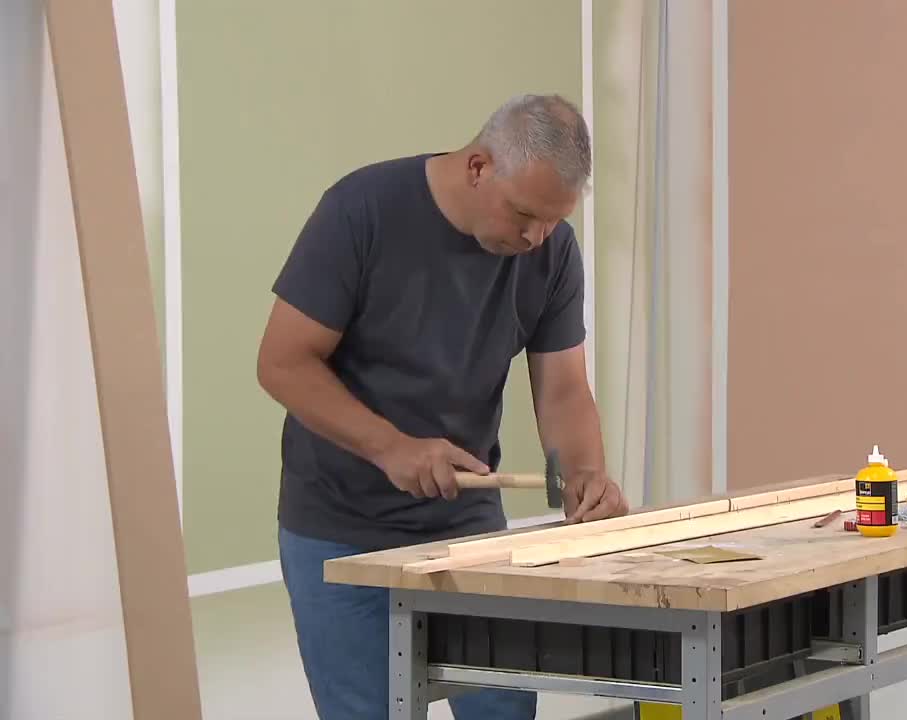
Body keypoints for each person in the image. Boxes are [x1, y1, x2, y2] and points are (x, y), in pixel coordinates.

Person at [256, 93, 628, 720]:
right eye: (524, 214)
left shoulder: (553, 251)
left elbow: (563, 387)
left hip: (466, 528)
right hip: (340, 529)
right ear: (479, 167)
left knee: (502, 709)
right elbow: (283, 362)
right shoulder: (361, 211)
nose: (535, 237)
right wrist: (391, 448)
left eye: (552, 221)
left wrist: (585, 474)